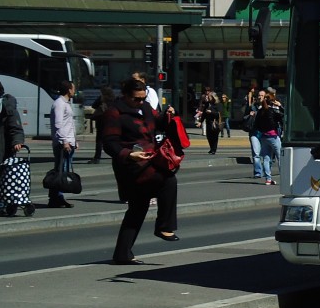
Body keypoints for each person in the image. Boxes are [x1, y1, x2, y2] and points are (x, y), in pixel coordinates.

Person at [101, 77, 180, 265]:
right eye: (136, 99)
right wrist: (128, 154)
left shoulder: (145, 108)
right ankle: (164, 226)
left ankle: (122, 254)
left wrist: (168, 115)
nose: (140, 102)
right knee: (168, 181)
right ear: (125, 96)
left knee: (138, 208)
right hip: (131, 165)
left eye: (143, 98)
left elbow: (158, 121)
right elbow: (109, 142)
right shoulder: (114, 113)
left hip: (149, 158)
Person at [0, 82, 31, 217]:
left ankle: (2, 203)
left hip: (3, 149)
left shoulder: (6, 107)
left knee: (2, 176)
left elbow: (15, 127)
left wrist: (17, 141)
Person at [49, 80, 77, 209]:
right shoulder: (59, 104)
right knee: (60, 172)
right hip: (62, 144)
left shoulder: (66, 103)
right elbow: (58, 124)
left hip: (68, 142)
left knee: (63, 171)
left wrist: (74, 141)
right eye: (73, 88)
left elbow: (69, 124)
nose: (74, 90)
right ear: (68, 90)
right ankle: (56, 198)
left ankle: (57, 197)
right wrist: (65, 141)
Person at [254, 87, 284, 186]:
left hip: (263, 136)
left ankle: (268, 179)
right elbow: (283, 115)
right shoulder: (272, 111)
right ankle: (284, 178)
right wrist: (280, 106)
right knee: (280, 157)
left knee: (266, 158)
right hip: (273, 136)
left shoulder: (260, 111)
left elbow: (256, 124)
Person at [89, 87, 114, 163]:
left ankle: (97, 157)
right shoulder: (114, 100)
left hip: (101, 122)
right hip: (111, 122)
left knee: (99, 141)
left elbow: (94, 105)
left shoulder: (102, 100)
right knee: (111, 140)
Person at [243, 84, 262, 177]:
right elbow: (244, 116)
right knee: (256, 153)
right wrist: (250, 115)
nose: (260, 98)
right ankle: (258, 172)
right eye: (259, 96)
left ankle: (267, 171)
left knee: (267, 156)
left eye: (262, 96)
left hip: (265, 132)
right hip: (254, 131)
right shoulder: (252, 107)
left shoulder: (268, 107)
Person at [199, 86, 221, 155]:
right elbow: (204, 114)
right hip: (208, 122)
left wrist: (211, 112)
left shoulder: (217, 105)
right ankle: (211, 148)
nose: (208, 97)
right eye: (208, 97)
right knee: (209, 136)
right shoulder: (207, 104)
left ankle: (214, 149)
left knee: (214, 137)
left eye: (210, 97)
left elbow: (218, 114)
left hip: (215, 122)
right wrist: (200, 121)